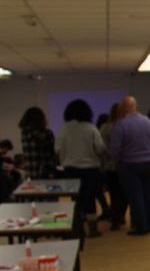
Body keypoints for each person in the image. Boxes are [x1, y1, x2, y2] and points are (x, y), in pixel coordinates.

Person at [109, 96, 150, 236]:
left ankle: (140, 226)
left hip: (129, 165)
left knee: (135, 196)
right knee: (148, 195)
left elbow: (115, 149)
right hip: (149, 162)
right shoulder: (148, 122)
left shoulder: (121, 125)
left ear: (123, 108)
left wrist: (118, 161)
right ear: (136, 106)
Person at [56, 99, 107, 238]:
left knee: (76, 201)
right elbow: (100, 148)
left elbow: (57, 149)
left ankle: (78, 230)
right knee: (90, 200)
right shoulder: (91, 128)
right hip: (90, 170)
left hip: (70, 170)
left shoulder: (64, 129)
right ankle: (93, 230)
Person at [100, 104, 127, 229]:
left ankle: (115, 219)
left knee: (114, 193)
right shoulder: (125, 126)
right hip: (123, 164)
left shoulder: (104, 128)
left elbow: (101, 148)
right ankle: (121, 216)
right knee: (124, 193)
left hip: (109, 166)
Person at [19, 106, 56, 179]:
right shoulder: (47, 133)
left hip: (30, 172)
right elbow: (53, 152)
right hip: (46, 173)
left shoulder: (24, 133)